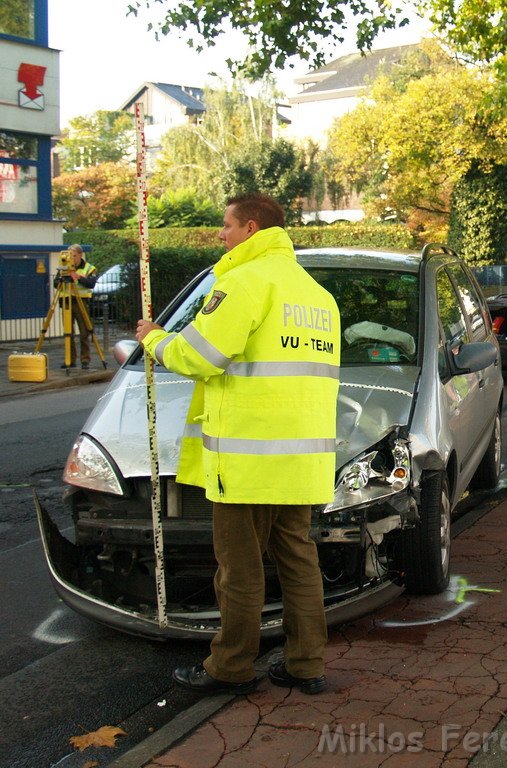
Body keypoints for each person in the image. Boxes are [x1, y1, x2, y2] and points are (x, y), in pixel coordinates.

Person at [135, 193, 341, 697]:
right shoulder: (317, 296)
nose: (220, 235)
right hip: (302, 461)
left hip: (247, 461)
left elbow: (203, 355)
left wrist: (155, 339)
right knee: (298, 559)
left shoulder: (245, 282)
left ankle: (229, 668)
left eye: (225, 226)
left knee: (239, 568)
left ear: (250, 228)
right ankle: (306, 665)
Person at [55, 244, 98, 369]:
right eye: (69, 255)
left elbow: (91, 283)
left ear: (80, 255)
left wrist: (78, 277)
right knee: (68, 333)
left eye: (73, 255)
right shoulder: (64, 267)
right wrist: (63, 278)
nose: (71, 258)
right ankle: (70, 360)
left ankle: (85, 360)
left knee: (84, 332)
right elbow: (55, 283)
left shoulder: (89, 268)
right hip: (66, 302)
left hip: (81, 302)